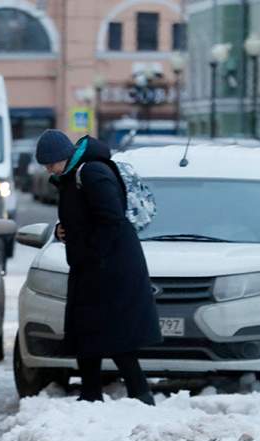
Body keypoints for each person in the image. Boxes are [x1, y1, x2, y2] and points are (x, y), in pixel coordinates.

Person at [35, 129, 162, 405]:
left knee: (116, 335)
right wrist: (62, 231)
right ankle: (91, 394)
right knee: (86, 332)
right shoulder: (70, 177)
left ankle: (140, 396)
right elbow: (81, 216)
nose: (47, 169)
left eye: (49, 162)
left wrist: (93, 252)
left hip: (110, 267)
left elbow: (111, 218)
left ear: (62, 156)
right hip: (91, 265)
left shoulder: (91, 172)